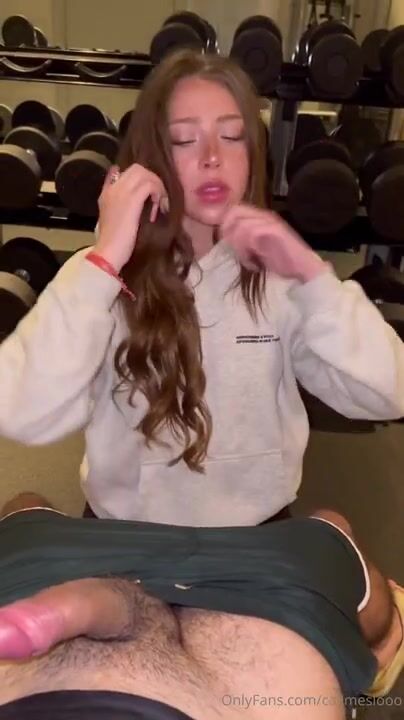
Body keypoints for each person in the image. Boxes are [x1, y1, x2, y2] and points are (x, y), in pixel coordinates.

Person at [1, 50, 404, 525]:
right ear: (152, 159)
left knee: (339, 535)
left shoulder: (283, 277)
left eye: (232, 137)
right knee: (23, 518)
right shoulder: (101, 278)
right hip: (127, 532)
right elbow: (20, 411)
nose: (213, 157)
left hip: (253, 533)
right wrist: (105, 258)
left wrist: (313, 277)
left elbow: (390, 392)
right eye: (185, 139)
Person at [0, 491, 403, 720]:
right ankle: (379, 645)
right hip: (274, 623)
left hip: (45, 602)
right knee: (331, 528)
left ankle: (374, 650)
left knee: (25, 509)